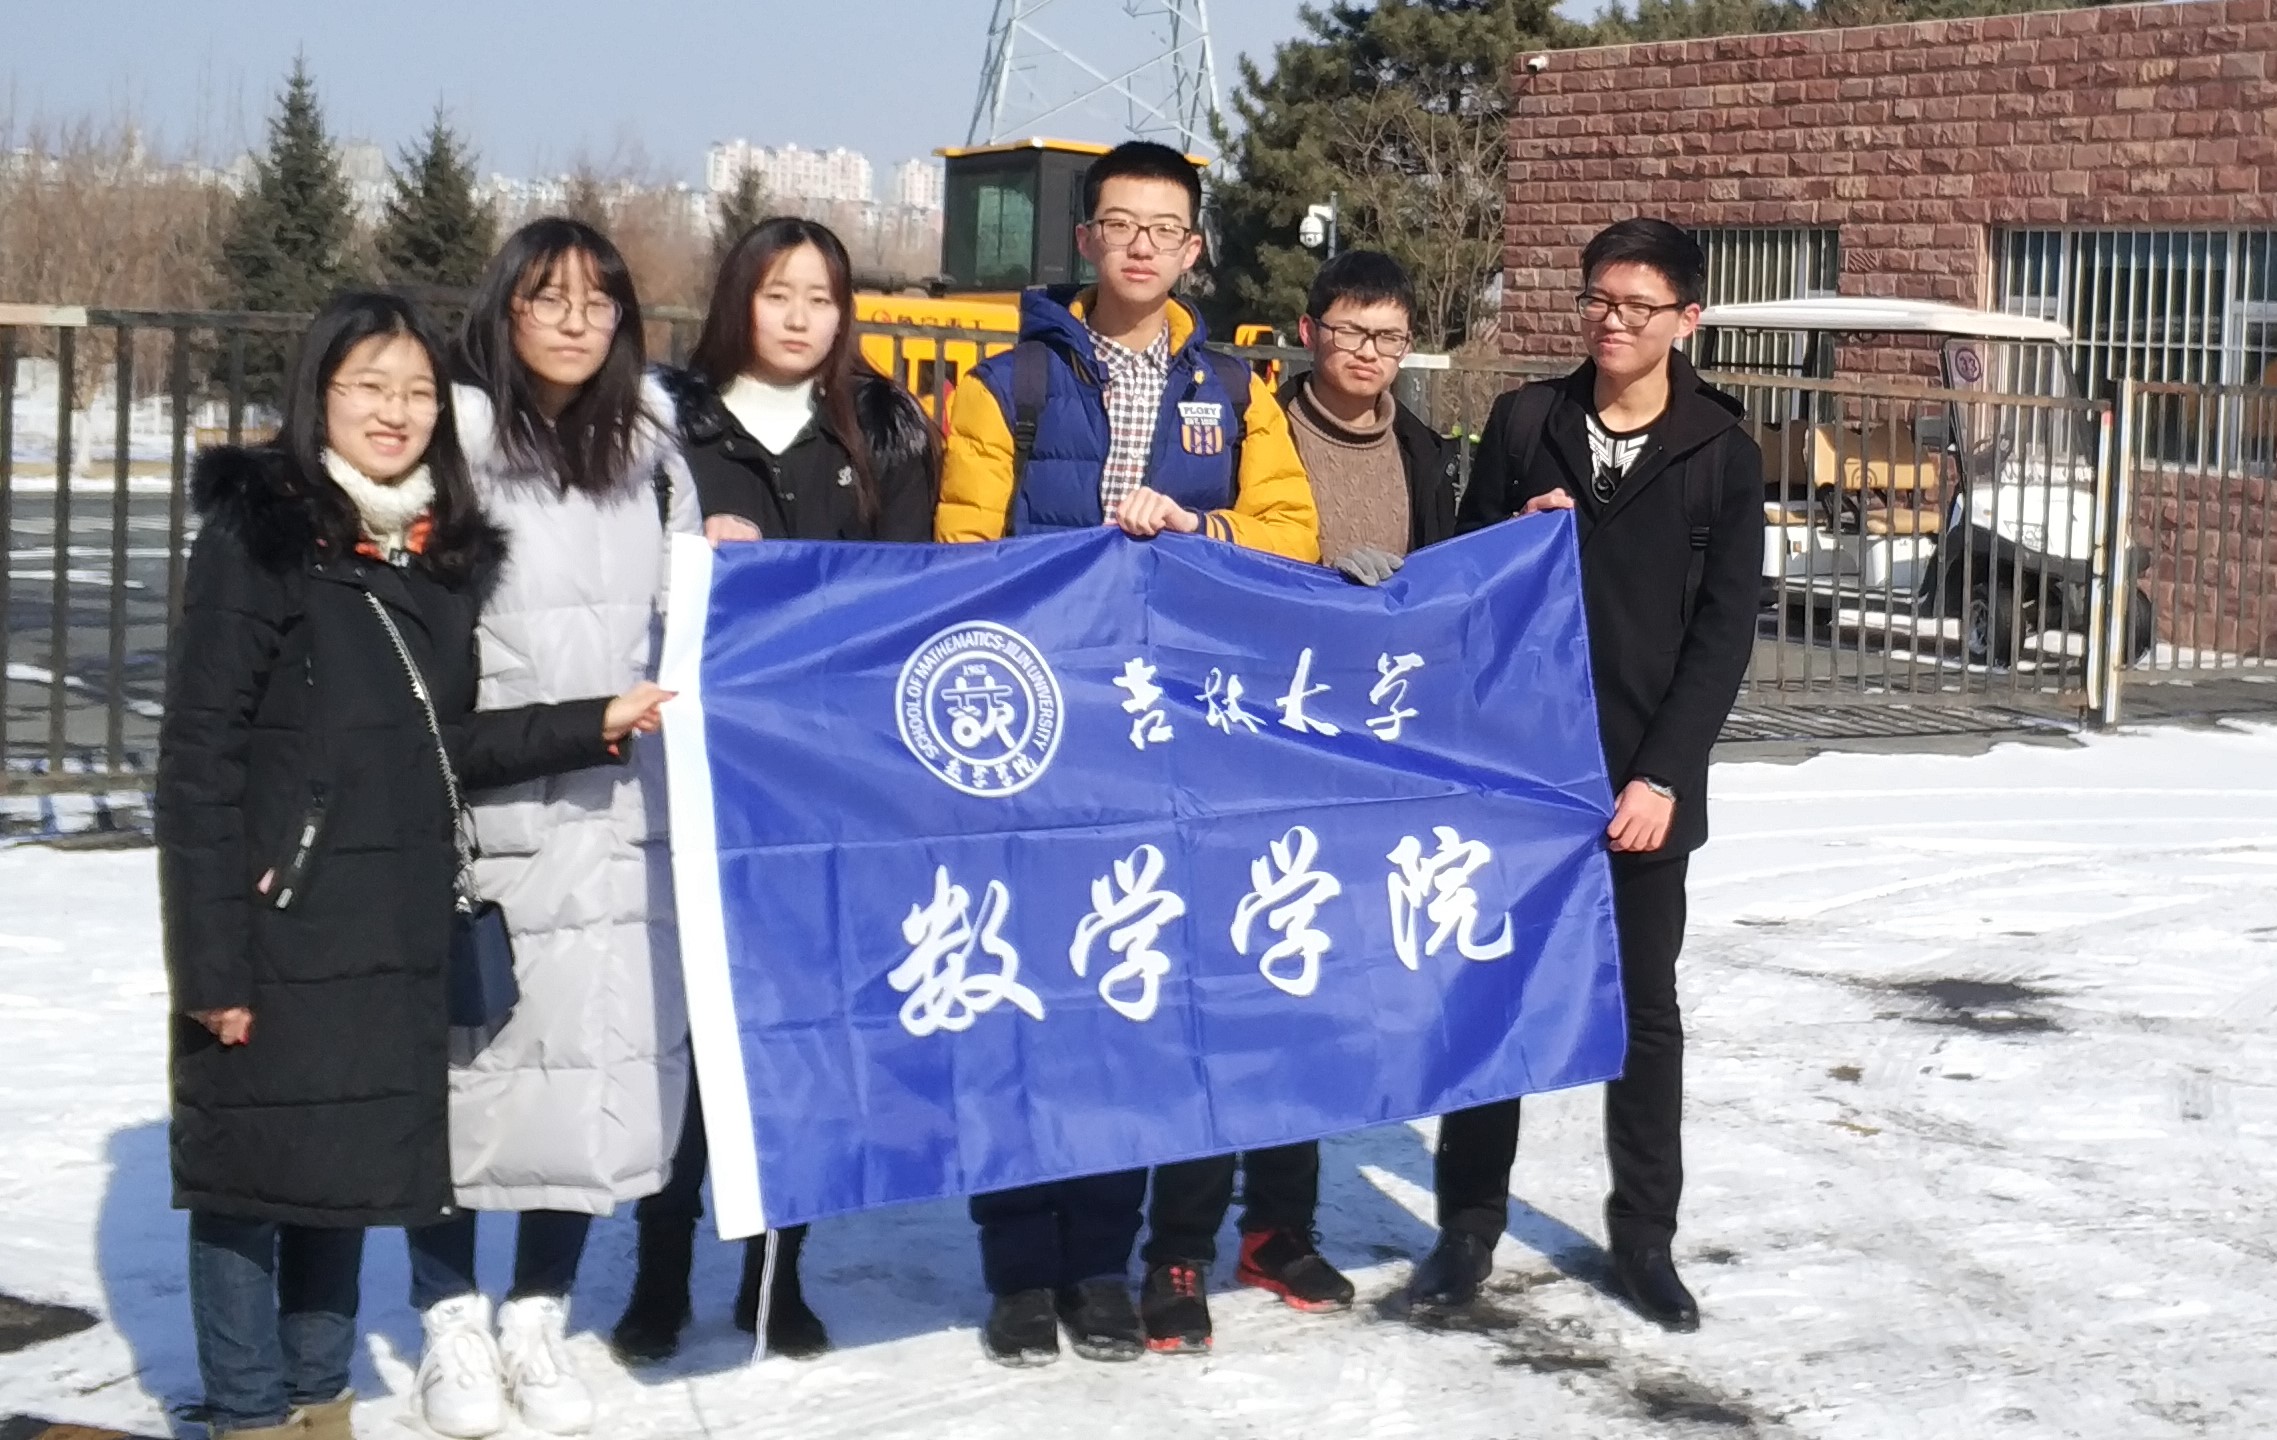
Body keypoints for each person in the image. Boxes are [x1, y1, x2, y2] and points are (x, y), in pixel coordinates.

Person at [157, 291, 670, 1440]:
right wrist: (212, 962)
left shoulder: (437, 557)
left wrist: (591, 721)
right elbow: (198, 759)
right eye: (368, 387)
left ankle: (320, 1401)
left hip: (389, 924)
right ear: (318, 396)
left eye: (417, 391)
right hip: (276, 920)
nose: (394, 412)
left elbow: (450, 744)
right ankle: (249, 1413)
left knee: (339, 1176)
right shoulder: (260, 535)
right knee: (246, 1183)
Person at [935, 139, 1319, 1367]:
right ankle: (1018, 1268)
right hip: (1037, 740)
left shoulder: (1237, 389)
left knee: (1124, 998)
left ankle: (1101, 1261)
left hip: (1166, 747)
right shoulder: (1007, 385)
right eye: (1121, 223)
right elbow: (960, 564)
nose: (1142, 245)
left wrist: (1197, 526)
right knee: (1019, 1003)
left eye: (1166, 227)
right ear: (1087, 238)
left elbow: (1293, 536)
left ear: (1194, 247)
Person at [1409, 219, 1765, 1332]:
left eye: (1638, 307)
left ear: (1686, 320)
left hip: (1640, 783)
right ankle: (1468, 1225)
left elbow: (1724, 633)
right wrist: (1515, 533)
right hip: (1521, 772)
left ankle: (1645, 1238)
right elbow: (1461, 572)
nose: (1612, 322)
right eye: (1598, 300)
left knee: (1642, 1013)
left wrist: (1662, 776)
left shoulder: (1720, 449)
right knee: (1492, 993)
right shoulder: (1529, 422)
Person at [610, 216, 938, 1366]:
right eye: (777, 293)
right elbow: (606, 569)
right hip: (693, 772)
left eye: (822, 297)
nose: (800, 317)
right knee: (688, 1034)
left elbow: (904, 599)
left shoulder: (886, 427)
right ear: (736, 300)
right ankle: (658, 1272)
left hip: (823, 785)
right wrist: (686, 554)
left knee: (800, 1035)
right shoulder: (666, 420)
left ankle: (776, 1274)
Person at [402, 219, 701, 1440]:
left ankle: (538, 1314)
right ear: (504, 309)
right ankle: (448, 1322)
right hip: (497, 811)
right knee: (465, 1081)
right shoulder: (457, 446)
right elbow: (423, 659)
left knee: (594, 1075)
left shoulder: (653, 453)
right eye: (548, 297)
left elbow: (688, 615)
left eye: (599, 300)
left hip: (630, 815)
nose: (576, 322)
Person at [1136, 249, 1461, 1351]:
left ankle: (1278, 1230)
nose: (1369, 353)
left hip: (1358, 763)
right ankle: (1177, 1247)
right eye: (1351, 331)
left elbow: (1449, 588)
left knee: (1312, 998)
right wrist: (1318, 582)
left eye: (1390, 336)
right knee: (1220, 999)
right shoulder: (1250, 427)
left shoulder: (1424, 451)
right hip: (1242, 753)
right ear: (1308, 330)